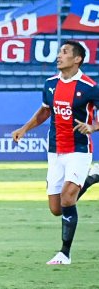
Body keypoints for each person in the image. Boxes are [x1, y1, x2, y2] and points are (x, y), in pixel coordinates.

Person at [10, 40, 99, 266]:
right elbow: (44, 112)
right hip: (55, 150)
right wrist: (24, 129)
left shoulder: (89, 86)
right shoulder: (50, 84)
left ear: (77, 59)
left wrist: (93, 127)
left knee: (68, 197)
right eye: (60, 52)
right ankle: (90, 179)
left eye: (64, 52)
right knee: (57, 209)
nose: (59, 55)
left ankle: (64, 253)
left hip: (79, 149)